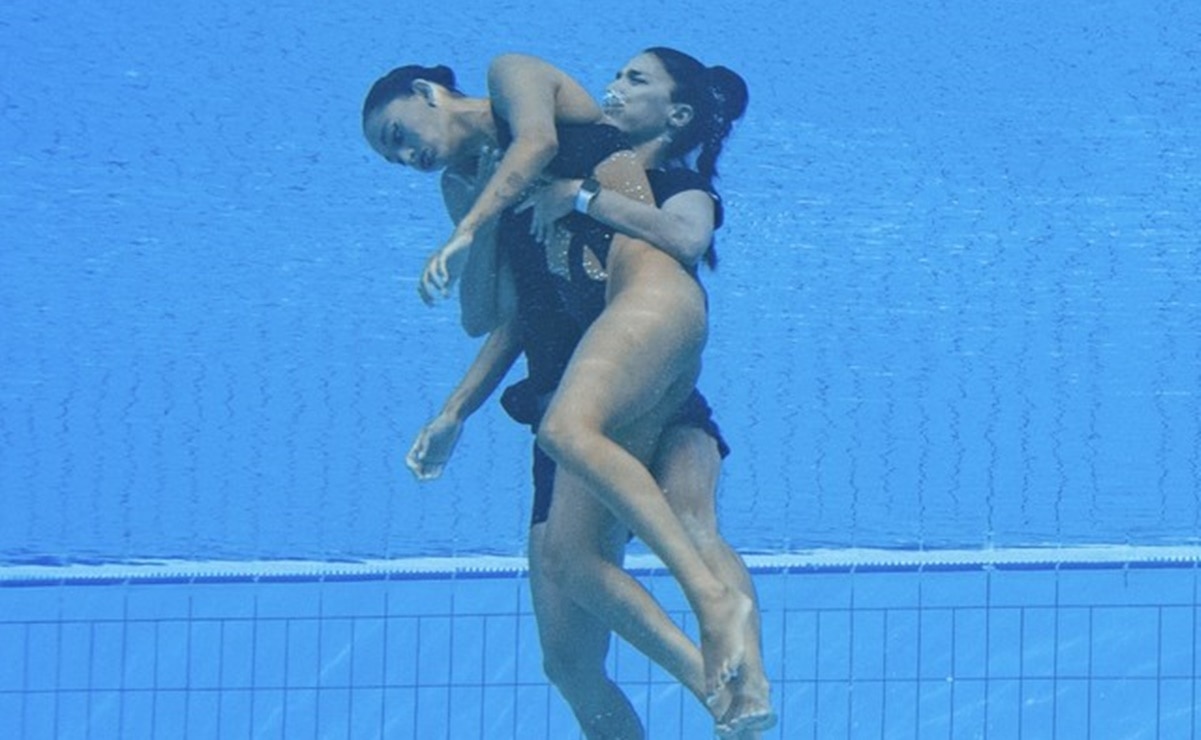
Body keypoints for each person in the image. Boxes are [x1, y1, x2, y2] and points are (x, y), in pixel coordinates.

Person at [362, 52, 772, 737]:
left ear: (425, 91)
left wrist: (471, 228)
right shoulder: (474, 183)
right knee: (566, 646)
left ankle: (718, 618)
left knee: (625, 479)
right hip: (587, 359)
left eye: (396, 134)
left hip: (643, 316)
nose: (401, 156)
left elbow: (539, 146)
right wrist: (453, 411)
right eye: (388, 157)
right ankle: (719, 684)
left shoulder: (515, 80)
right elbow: (492, 315)